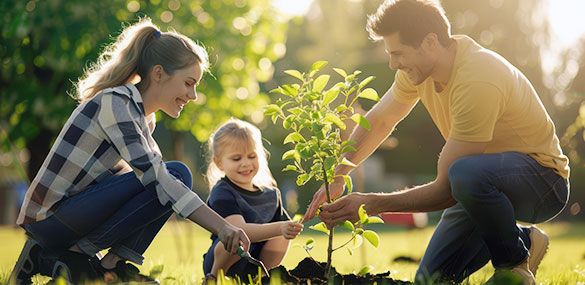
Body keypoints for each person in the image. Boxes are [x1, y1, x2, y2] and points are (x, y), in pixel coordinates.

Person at [303, 0, 570, 284]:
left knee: (463, 173)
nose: (393, 63)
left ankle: (513, 266)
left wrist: (370, 204)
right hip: (481, 186)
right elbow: (380, 121)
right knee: (430, 280)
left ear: (430, 42)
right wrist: (338, 174)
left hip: (543, 182)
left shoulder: (478, 76)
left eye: (398, 53)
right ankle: (524, 241)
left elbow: (446, 190)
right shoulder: (417, 73)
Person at [9, 18, 250, 284]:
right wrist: (222, 226)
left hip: (73, 214)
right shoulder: (116, 103)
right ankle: (76, 257)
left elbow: (149, 184)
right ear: (158, 73)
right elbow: (157, 177)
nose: (193, 95)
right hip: (50, 218)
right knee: (174, 175)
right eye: (188, 83)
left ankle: (110, 265)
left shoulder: (144, 117)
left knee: (170, 180)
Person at [202, 119, 303, 280]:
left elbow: (281, 232)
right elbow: (238, 229)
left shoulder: (271, 195)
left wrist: (289, 228)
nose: (246, 163)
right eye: (236, 158)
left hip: (256, 259)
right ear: (219, 163)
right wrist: (279, 227)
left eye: (251, 156)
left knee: (282, 235)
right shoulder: (222, 192)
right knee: (236, 237)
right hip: (225, 261)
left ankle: (262, 276)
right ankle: (214, 278)